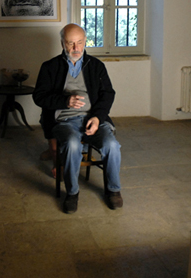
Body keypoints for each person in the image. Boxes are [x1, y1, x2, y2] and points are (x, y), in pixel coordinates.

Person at [32, 23, 123, 213]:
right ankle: (72, 193)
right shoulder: (50, 67)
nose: (75, 48)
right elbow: (39, 96)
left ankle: (113, 191)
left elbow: (108, 93)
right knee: (72, 144)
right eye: (70, 43)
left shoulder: (96, 66)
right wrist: (65, 101)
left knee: (112, 145)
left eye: (79, 43)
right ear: (62, 43)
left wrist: (98, 118)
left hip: (94, 119)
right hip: (64, 121)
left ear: (85, 42)